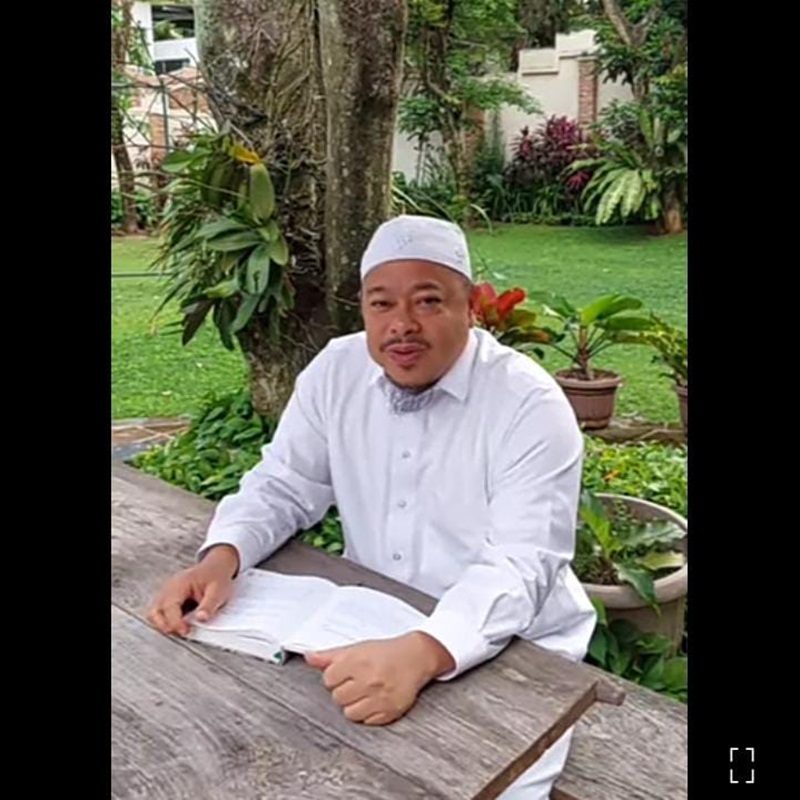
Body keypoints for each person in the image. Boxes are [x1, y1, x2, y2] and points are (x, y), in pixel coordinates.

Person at [147, 214, 597, 798]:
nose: (401, 324)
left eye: (428, 301)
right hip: (371, 621)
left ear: (471, 308)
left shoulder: (528, 404)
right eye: (381, 304)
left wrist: (426, 652)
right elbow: (285, 481)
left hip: (517, 650)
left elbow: (522, 561)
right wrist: (222, 556)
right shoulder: (337, 371)